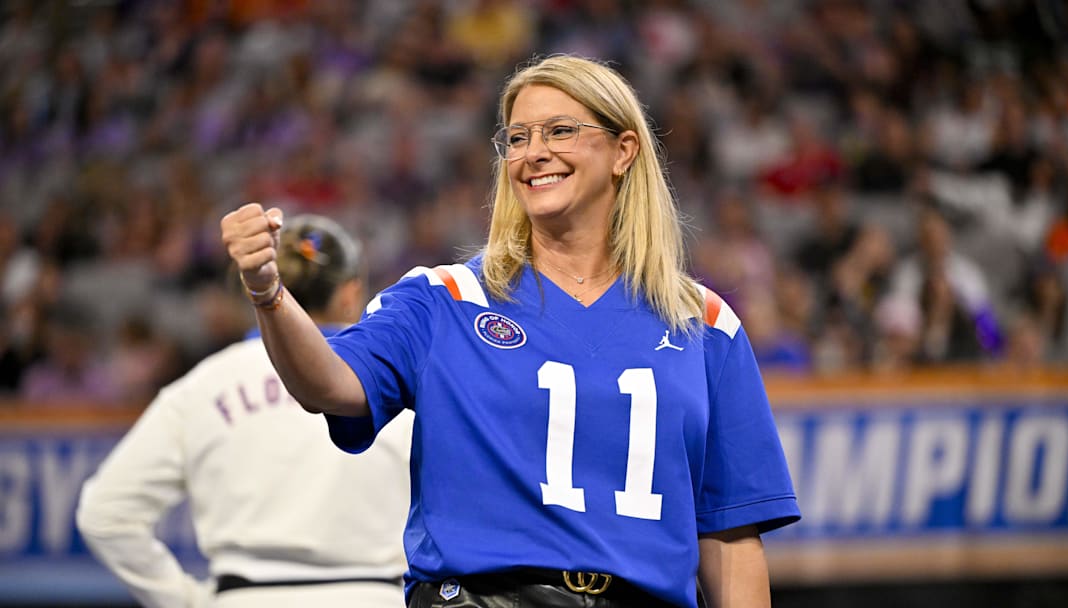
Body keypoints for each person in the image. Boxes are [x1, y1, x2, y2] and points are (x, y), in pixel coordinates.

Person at [221, 55, 800, 608]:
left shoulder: (705, 324)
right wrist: (268, 292)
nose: (534, 153)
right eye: (517, 138)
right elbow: (330, 382)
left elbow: (730, 538)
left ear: (624, 150)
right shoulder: (444, 299)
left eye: (559, 131)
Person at [77, 215, 413, 608]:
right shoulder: (401, 383)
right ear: (349, 294)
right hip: (375, 597)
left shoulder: (203, 385)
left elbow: (104, 514)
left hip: (246, 595)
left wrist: (188, 601)